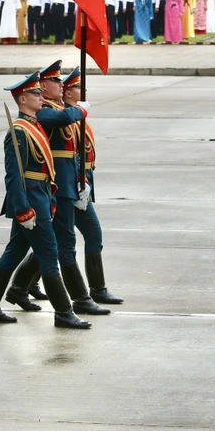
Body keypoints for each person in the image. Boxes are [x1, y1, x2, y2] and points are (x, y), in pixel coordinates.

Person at [0, 71, 90, 330]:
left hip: (39, 198)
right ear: (23, 99)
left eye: (40, 92)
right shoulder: (18, 132)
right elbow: (13, 176)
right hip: (30, 203)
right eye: (36, 93)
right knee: (49, 254)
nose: (41, 96)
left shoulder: (34, 125)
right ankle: (63, 312)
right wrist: (23, 209)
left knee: (14, 252)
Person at [5, 62, 107, 316]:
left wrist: (84, 181)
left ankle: (20, 288)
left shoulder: (60, 108)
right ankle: (81, 298)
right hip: (56, 189)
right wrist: (79, 111)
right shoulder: (45, 112)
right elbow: (62, 121)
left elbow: (76, 153)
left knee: (67, 240)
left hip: (72, 185)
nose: (60, 85)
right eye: (55, 82)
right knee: (61, 243)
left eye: (62, 82)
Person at [62, 67, 122, 304]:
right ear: (67, 93)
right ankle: (95, 290)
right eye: (78, 87)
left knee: (62, 240)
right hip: (71, 187)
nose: (83, 91)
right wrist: (80, 182)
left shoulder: (77, 117)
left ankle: (21, 285)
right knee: (81, 236)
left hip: (80, 186)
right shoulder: (67, 118)